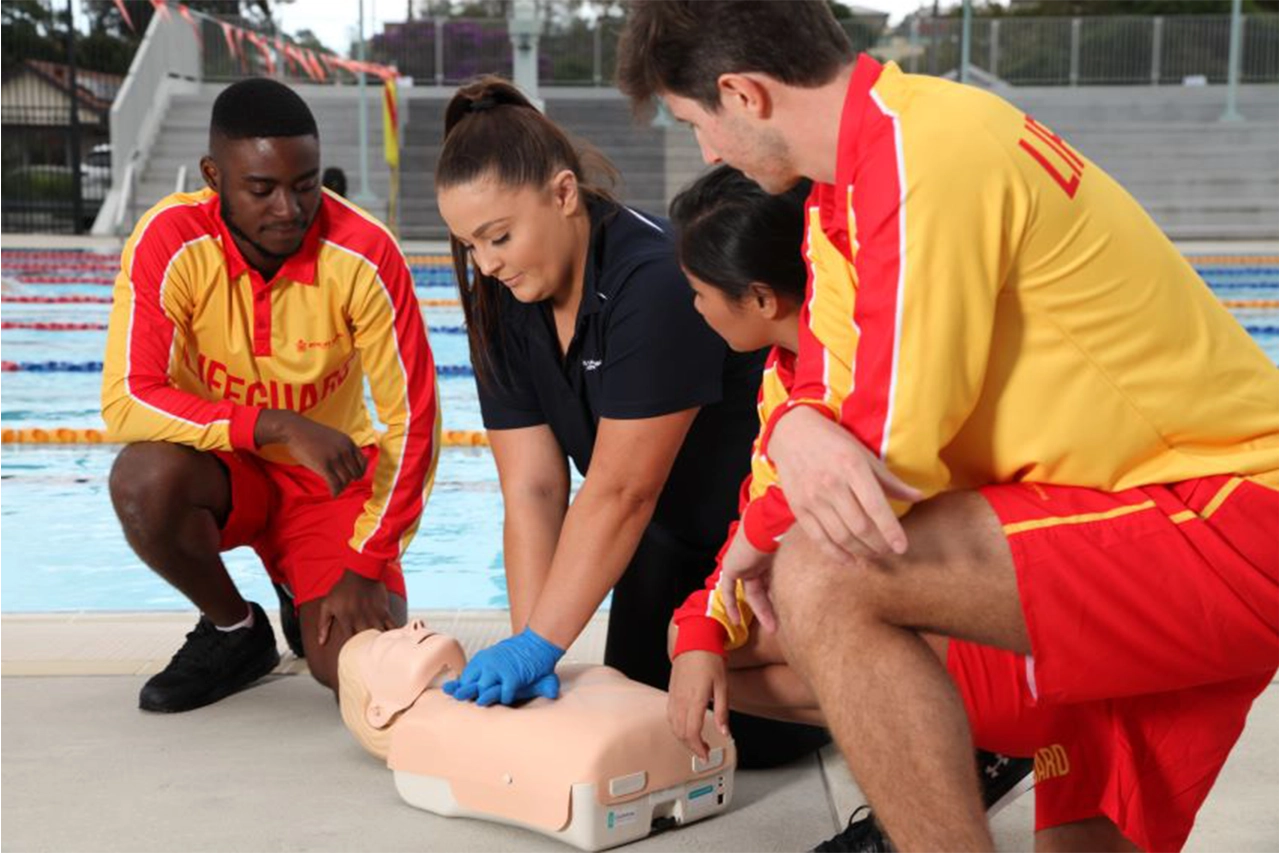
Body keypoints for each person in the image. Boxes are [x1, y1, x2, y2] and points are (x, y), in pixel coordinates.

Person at [617, 3, 1280, 852]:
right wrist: (785, 455)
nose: (708, 153)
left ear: (742, 94)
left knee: (826, 573)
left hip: (1222, 515)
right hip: (1106, 520)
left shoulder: (918, 151)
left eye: (695, 122)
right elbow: (821, 391)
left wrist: (761, 532)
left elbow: (891, 447)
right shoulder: (844, 199)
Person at [431, 76, 828, 767]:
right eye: (470, 246)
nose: (487, 264)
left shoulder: (656, 279)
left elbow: (621, 489)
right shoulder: (500, 298)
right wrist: (532, 650)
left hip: (752, 550)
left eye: (498, 236)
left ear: (562, 194)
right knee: (639, 713)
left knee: (735, 738)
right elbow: (533, 489)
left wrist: (540, 643)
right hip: (657, 549)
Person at [666, 165, 1032, 853]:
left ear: (762, 297)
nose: (694, 310)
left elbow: (782, 509)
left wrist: (728, 585)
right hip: (928, 613)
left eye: (699, 293)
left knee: (797, 606)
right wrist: (699, 629)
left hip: (994, 626)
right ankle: (960, 755)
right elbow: (757, 510)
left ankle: (945, 764)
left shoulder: (868, 366)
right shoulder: (783, 378)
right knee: (700, 648)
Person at [101, 77, 441, 713]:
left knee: (361, 673)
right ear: (214, 176)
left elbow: (414, 421)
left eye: (305, 184)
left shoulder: (364, 253)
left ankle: (301, 584)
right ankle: (235, 631)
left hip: (328, 485)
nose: (289, 208)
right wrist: (273, 426)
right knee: (143, 479)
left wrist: (366, 559)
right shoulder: (170, 240)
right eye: (262, 189)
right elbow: (126, 397)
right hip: (223, 470)